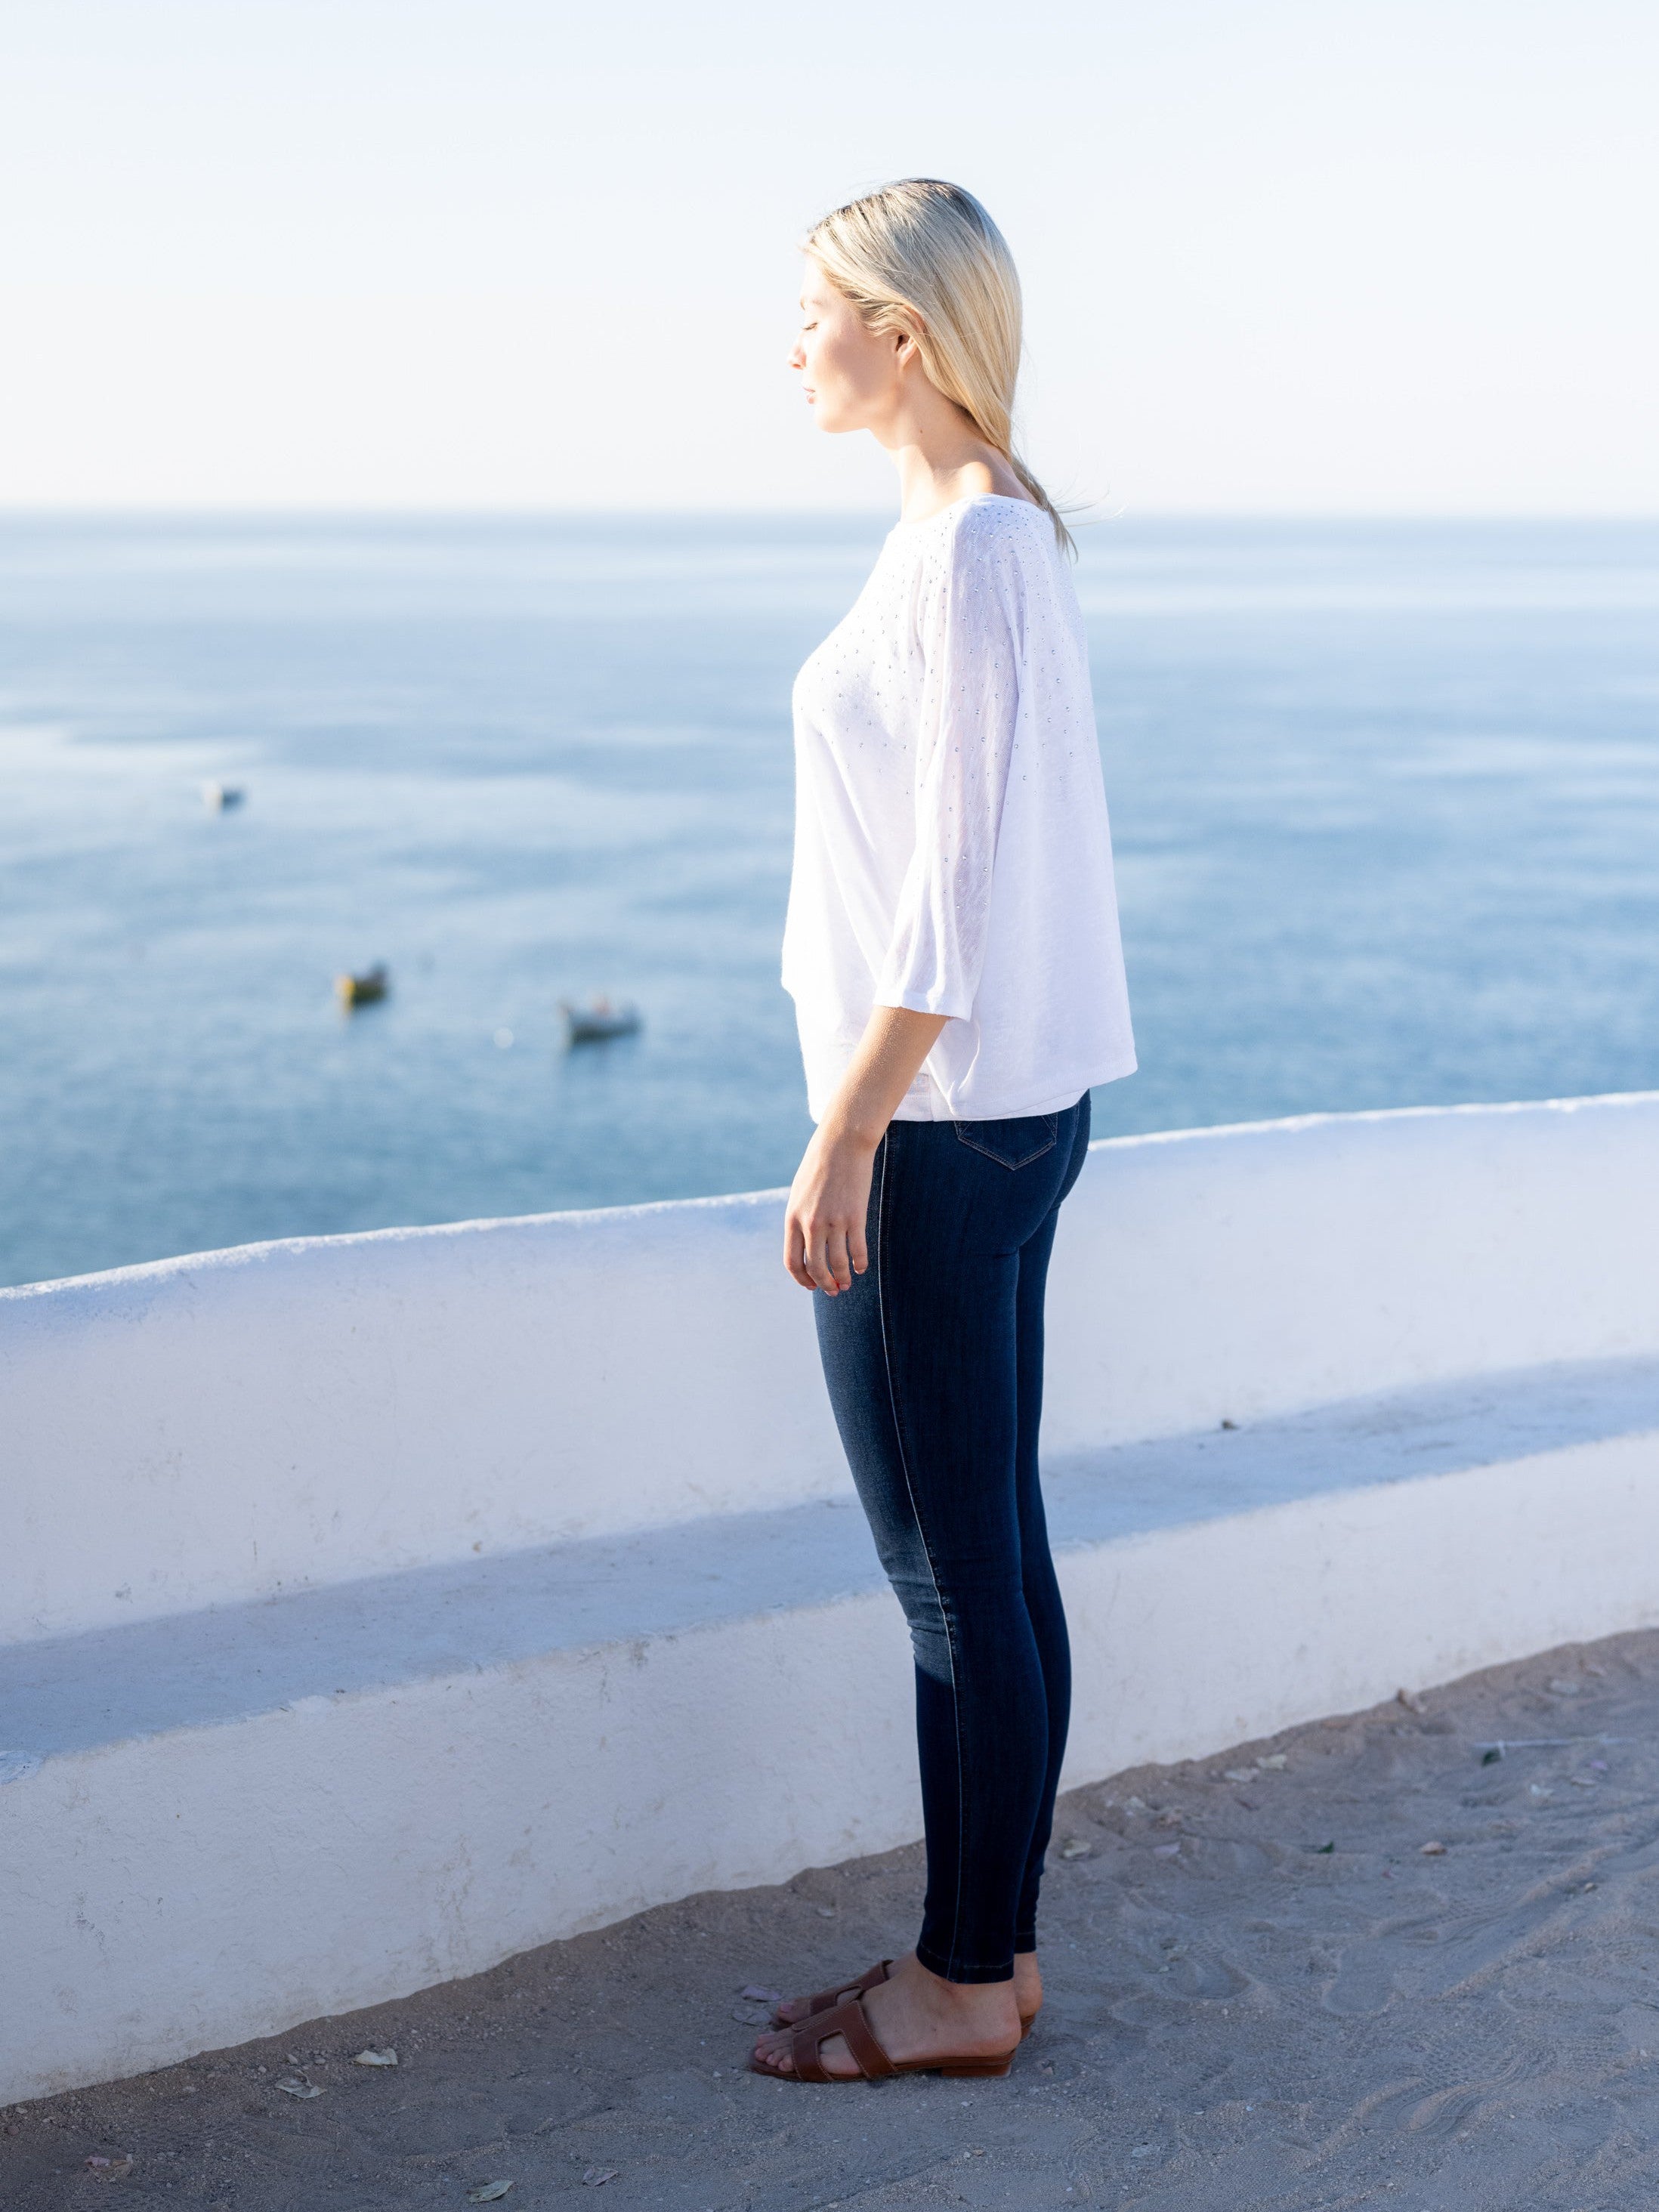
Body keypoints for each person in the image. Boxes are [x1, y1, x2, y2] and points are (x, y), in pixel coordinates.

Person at [749, 180, 1136, 2086]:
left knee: (950, 1572)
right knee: (993, 1552)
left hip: (940, 1129)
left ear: (900, 331)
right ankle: (991, 1956)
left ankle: (960, 1986)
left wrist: (844, 1138)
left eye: (812, 308)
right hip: (999, 1120)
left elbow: (950, 912)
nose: (789, 342)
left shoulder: (976, 550)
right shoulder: (973, 538)